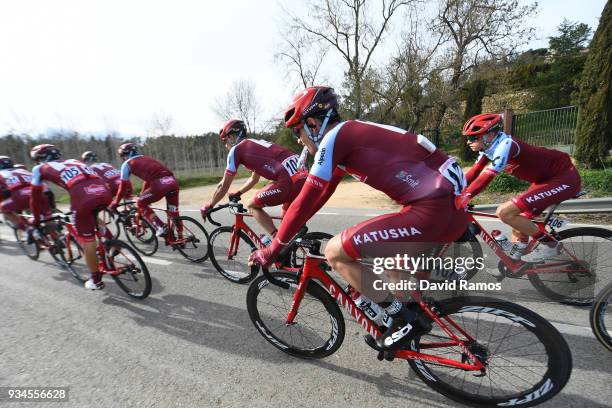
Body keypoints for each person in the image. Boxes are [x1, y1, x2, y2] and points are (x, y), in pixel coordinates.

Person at [248, 86, 469, 354]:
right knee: (391, 268)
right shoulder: (350, 135)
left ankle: (404, 319)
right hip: (453, 207)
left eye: (298, 132)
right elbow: (320, 195)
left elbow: (306, 199)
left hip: (432, 208)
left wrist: (273, 248)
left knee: (335, 252)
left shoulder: (333, 139)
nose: (298, 141)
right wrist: (290, 227)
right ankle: (407, 326)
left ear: (313, 122)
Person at [457, 113, 581, 262]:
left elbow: (487, 176)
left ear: (489, 135)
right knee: (518, 221)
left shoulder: (506, 145)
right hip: (544, 180)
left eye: (472, 137)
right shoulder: (489, 148)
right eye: (467, 138)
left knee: (505, 212)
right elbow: (474, 172)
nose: (468, 142)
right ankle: (516, 262)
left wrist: (466, 196)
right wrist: (451, 188)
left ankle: (551, 245)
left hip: (563, 177)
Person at [199, 119, 307, 242]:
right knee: (288, 230)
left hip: (287, 182)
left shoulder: (236, 150)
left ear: (233, 136)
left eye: (225, 140)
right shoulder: (256, 144)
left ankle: (275, 244)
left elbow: (223, 186)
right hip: (303, 177)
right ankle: (296, 250)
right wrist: (239, 193)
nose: (225, 145)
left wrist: (209, 205)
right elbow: (254, 179)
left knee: (252, 205)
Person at [29, 145, 113, 290]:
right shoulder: (74, 161)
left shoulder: (38, 169)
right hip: (104, 191)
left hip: (83, 197)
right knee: (91, 213)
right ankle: (111, 241)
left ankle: (96, 280)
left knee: (87, 239)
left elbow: (35, 198)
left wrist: (36, 220)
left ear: (39, 159)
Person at [109, 143, 179, 237]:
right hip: (173, 181)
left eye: (122, 156)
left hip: (159, 185)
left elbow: (123, 187)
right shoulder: (147, 158)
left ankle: (160, 226)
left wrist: (116, 202)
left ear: (125, 154)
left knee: (141, 203)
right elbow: (148, 180)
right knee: (174, 213)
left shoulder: (127, 164)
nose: (123, 158)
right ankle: (181, 237)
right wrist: (143, 193)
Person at [0, 156, 51, 231]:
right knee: (46, 217)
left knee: (3, 210)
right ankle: (57, 238)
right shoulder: (21, 170)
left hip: (21, 197)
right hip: (42, 193)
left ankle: (28, 230)